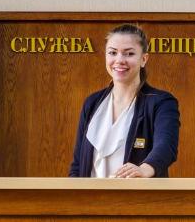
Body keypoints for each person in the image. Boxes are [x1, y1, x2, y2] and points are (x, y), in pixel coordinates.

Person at [69, 24, 179, 178]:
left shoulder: (161, 102)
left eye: (129, 54)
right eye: (113, 52)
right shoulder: (92, 103)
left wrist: (144, 170)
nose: (119, 60)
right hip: (90, 201)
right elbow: (77, 165)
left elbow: (166, 147)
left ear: (143, 59)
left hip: (137, 200)